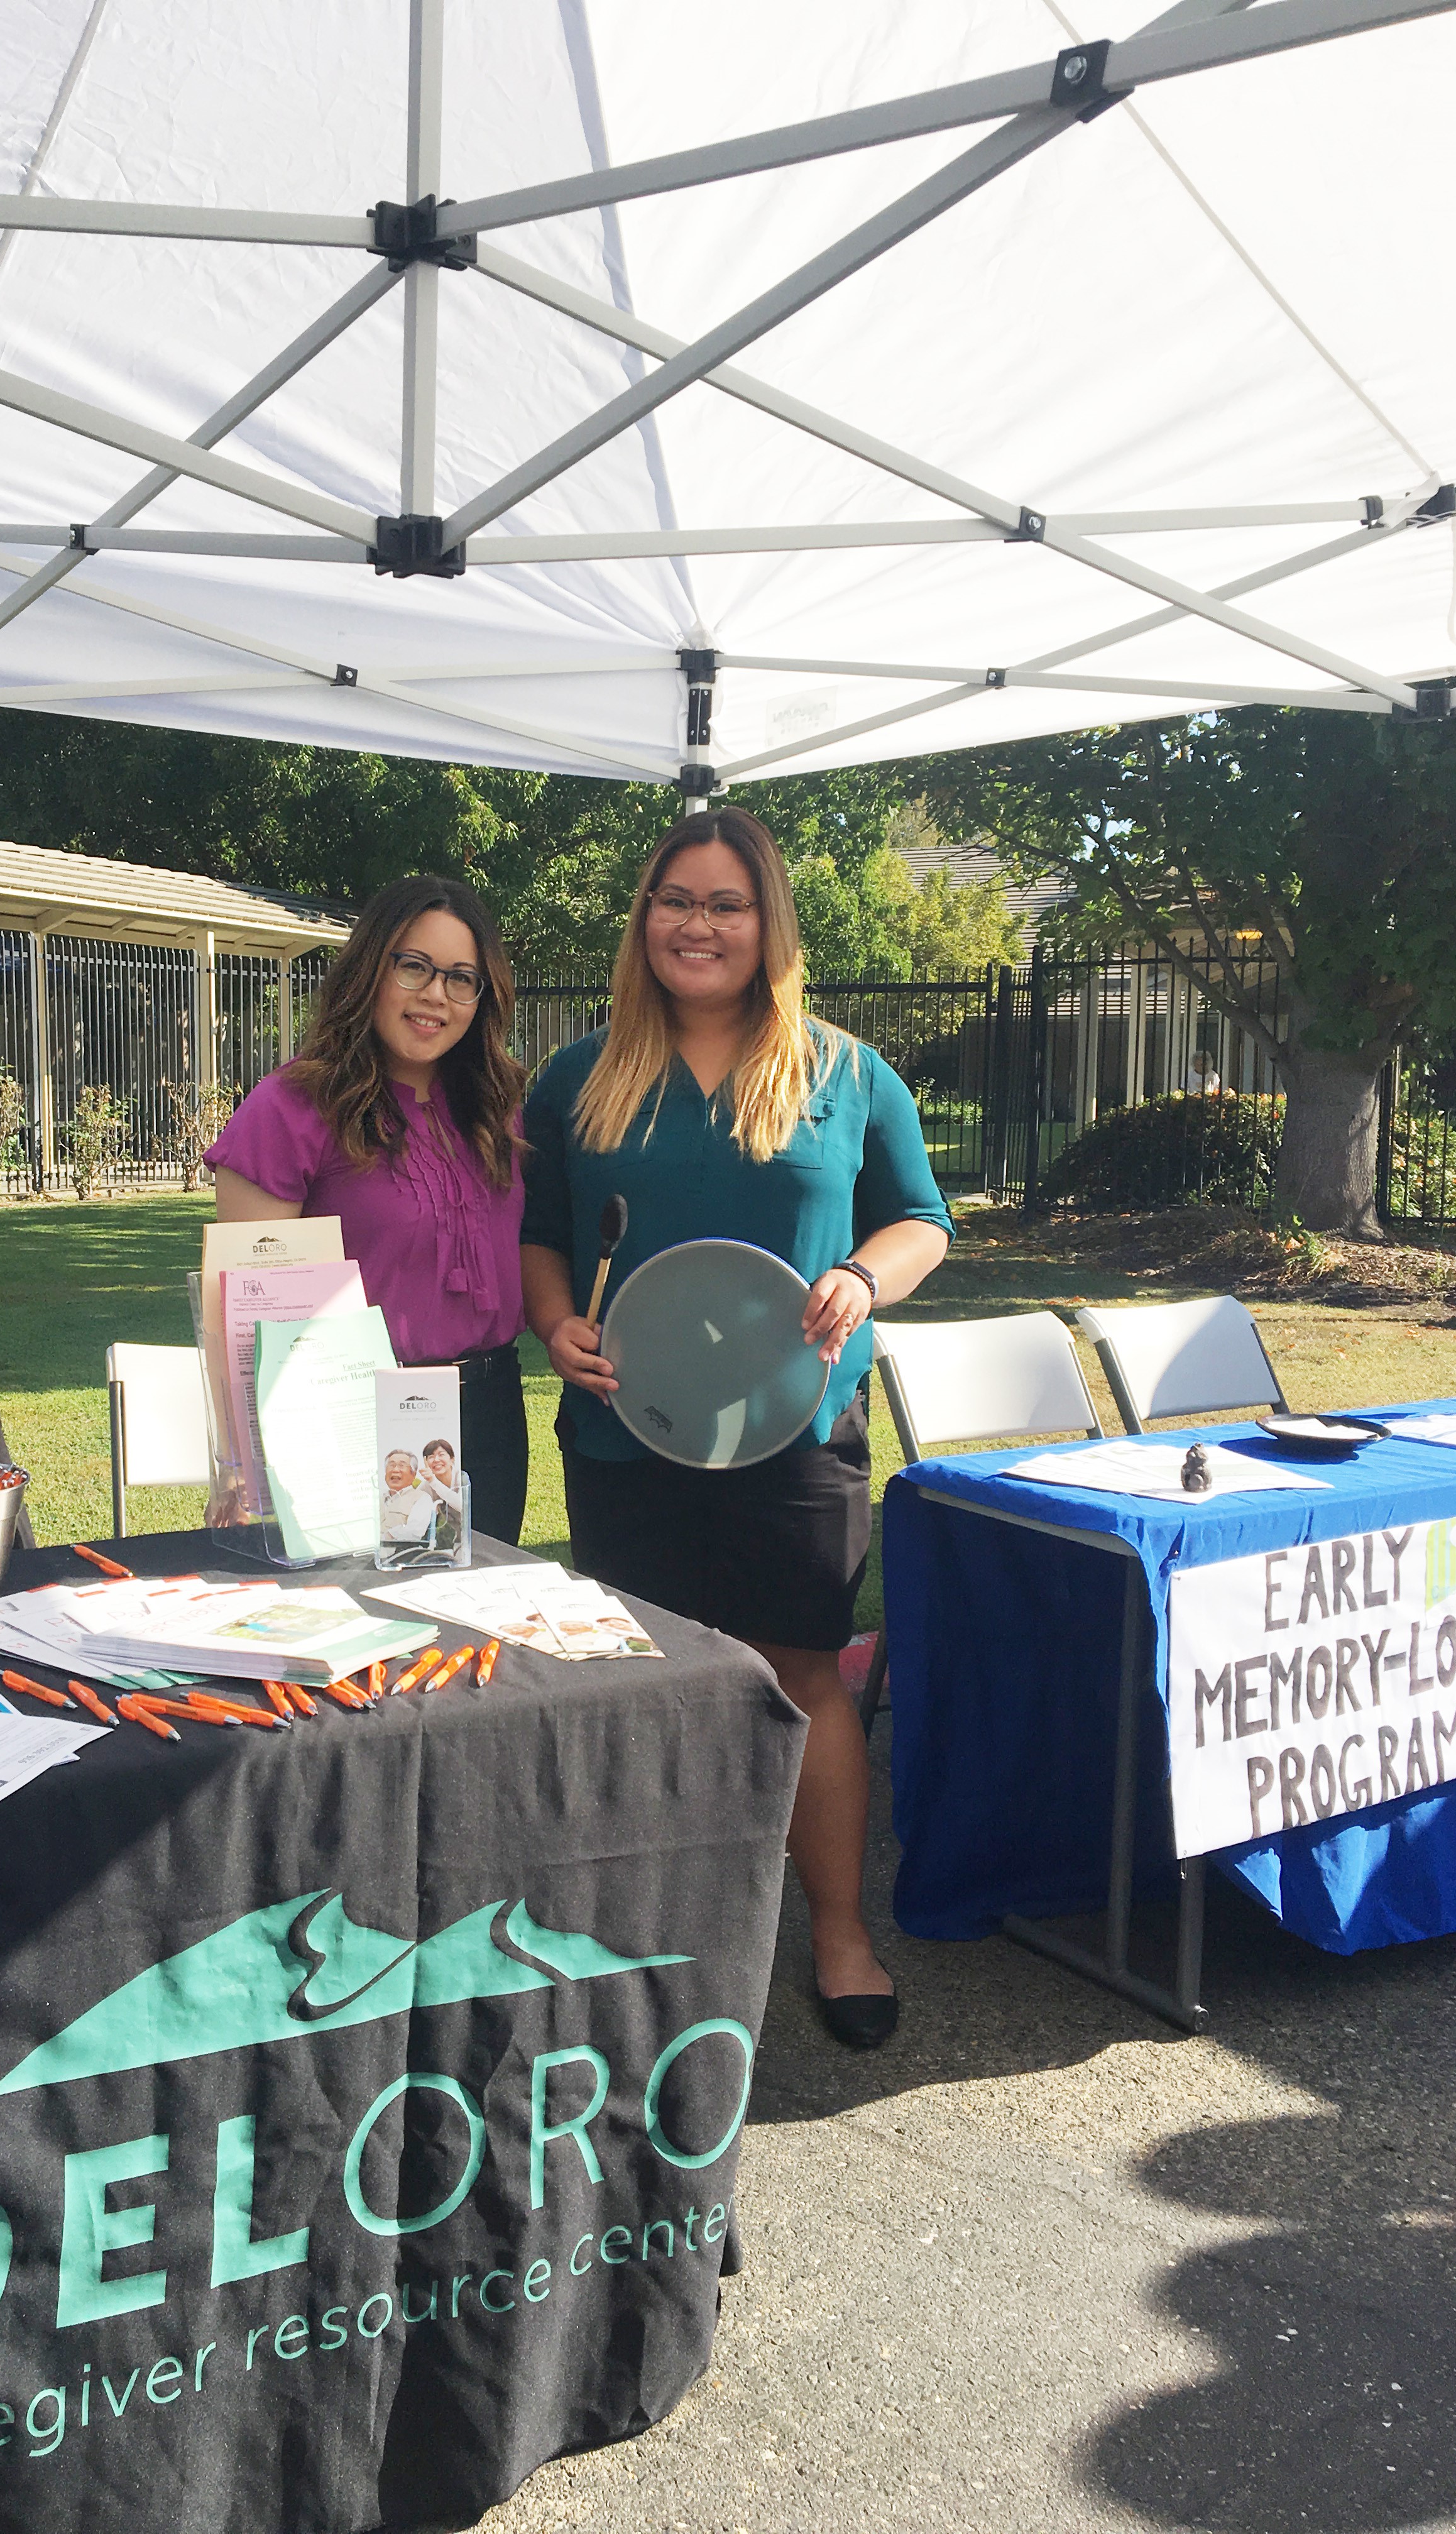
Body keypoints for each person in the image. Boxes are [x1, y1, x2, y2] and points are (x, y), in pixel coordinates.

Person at [520, 805, 952, 2051]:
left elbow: (921, 1219)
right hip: (628, 1433)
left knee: (801, 1675)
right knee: (642, 1685)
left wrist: (867, 1275)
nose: (696, 925)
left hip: (795, 1433)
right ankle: (646, 1934)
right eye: (674, 900)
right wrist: (556, 1323)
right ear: (643, 920)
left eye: (725, 903)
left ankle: (838, 1931)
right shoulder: (579, 1075)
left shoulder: (846, 1073)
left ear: (768, 924)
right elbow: (539, 1232)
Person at [207, 874, 531, 1546]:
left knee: (479, 1633)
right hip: (360, 1417)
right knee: (376, 1632)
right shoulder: (292, 1108)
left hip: (493, 1415)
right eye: (414, 966)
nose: (435, 994)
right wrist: (240, 1462)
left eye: (462, 978)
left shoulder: (498, 1109)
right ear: (369, 970)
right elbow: (242, 1305)